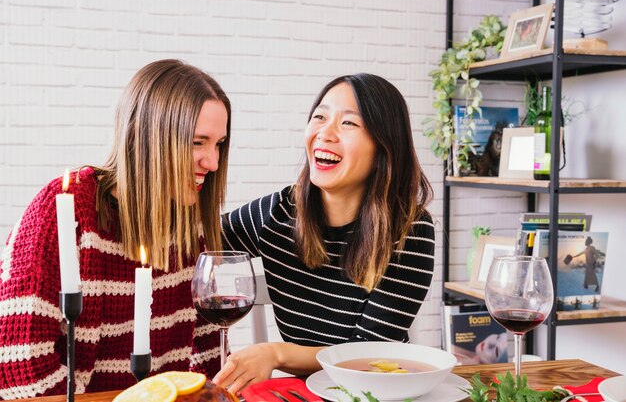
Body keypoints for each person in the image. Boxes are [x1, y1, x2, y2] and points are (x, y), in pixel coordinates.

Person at [0, 59, 231, 399]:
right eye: (198, 142)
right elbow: (18, 376)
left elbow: (207, 367)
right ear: (147, 136)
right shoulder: (65, 210)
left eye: (218, 144)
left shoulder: (188, 228)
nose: (212, 162)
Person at [213, 73, 435, 393]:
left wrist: (274, 353)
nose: (325, 133)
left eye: (349, 124)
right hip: (301, 394)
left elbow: (366, 354)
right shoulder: (279, 212)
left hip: (374, 394)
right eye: (320, 116)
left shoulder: (409, 230)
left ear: (383, 146)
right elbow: (193, 245)